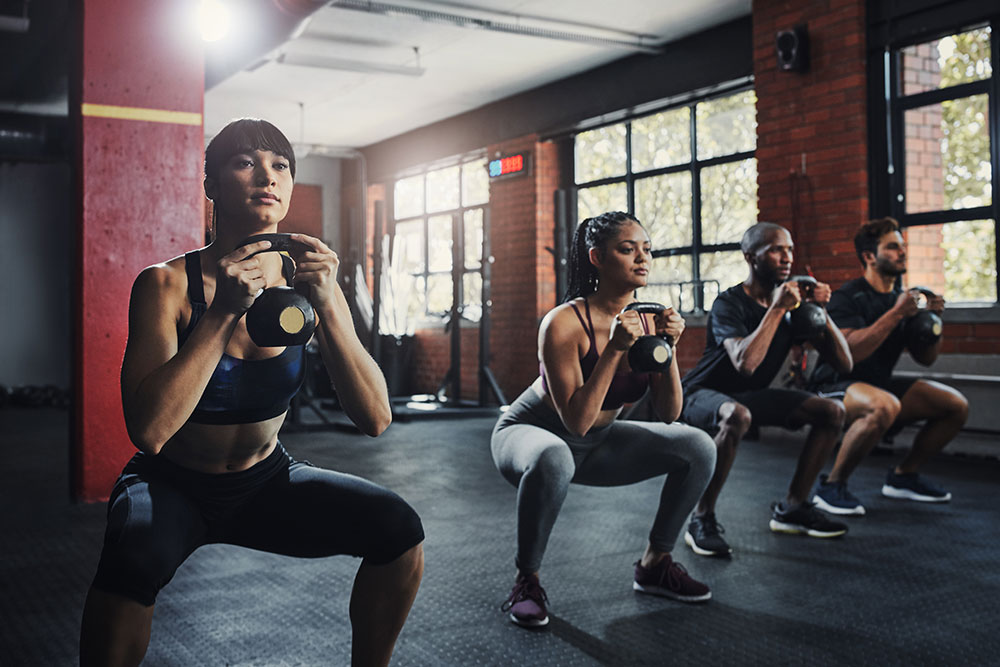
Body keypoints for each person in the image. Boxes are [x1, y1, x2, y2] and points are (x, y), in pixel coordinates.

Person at [79, 119, 424, 667]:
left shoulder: (304, 284)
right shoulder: (164, 285)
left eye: (280, 165)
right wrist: (222, 312)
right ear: (211, 185)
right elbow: (149, 431)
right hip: (173, 483)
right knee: (132, 557)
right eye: (245, 162)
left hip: (265, 479)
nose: (267, 175)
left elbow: (376, 418)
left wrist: (330, 300)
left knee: (399, 530)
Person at [490, 211, 718, 629]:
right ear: (596, 257)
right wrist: (614, 349)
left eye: (646, 249)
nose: (641, 258)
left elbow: (670, 414)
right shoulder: (562, 323)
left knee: (697, 445)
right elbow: (575, 422)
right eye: (627, 249)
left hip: (599, 443)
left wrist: (667, 347)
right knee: (556, 455)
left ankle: (655, 564)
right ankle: (527, 580)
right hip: (532, 436)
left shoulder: (648, 319)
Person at [679, 222, 854, 557]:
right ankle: (701, 518)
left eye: (789, 249)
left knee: (832, 411)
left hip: (748, 398)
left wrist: (821, 313)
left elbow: (844, 364)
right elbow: (746, 362)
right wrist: (776, 309)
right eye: (776, 250)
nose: (786, 257)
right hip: (702, 393)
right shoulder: (728, 303)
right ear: (751, 257)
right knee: (736, 416)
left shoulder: (793, 309)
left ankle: (794, 508)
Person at [807, 217, 967, 514]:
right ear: (869, 256)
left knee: (954, 405)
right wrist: (895, 315)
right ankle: (830, 486)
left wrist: (932, 324)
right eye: (893, 247)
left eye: (903, 246)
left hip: (879, 386)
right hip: (833, 386)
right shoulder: (848, 297)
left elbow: (926, 359)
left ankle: (904, 476)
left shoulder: (900, 300)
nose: (902, 252)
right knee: (884, 405)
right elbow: (850, 354)